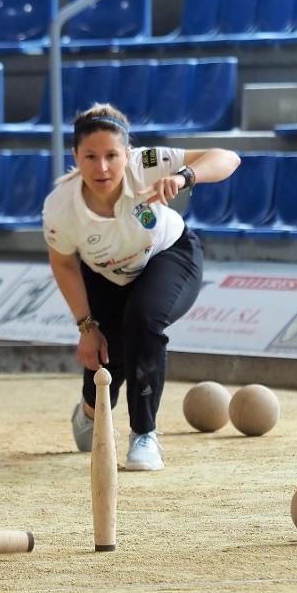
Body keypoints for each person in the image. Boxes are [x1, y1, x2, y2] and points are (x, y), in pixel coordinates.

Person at [43, 104, 239, 470]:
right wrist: (86, 328)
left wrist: (184, 177)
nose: (102, 168)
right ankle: (88, 411)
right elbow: (64, 263)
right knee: (106, 362)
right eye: (91, 157)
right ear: (75, 156)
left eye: (112, 156)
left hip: (169, 255)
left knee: (144, 321)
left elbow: (228, 158)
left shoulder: (146, 162)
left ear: (127, 153)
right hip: (104, 276)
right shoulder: (60, 207)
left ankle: (143, 435)